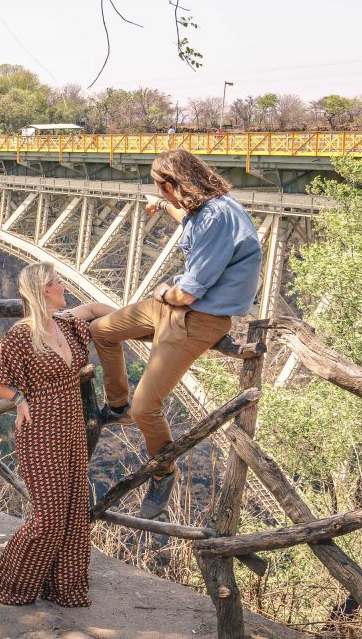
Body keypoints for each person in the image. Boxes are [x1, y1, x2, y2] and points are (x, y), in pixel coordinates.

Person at [89, 149, 262, 519]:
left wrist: (163, 292)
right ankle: (115, 404)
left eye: (162, 189)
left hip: (193, 317)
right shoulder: (205, 209)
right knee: (101, 330)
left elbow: (187, 292)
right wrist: (162, 207)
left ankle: (163, 470)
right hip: (175, 312)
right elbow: (186, 216)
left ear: (173, 183)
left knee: (146, 406)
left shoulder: (217, 217)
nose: (163, 195)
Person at [0, 262, 115, 607]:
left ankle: (63, 588)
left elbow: (96, 308)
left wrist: (140, 321)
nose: (63, 286)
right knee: (49, 519)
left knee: (74, 512)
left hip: (72, 431)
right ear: (43, 290)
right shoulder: (23, 334)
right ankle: (10, 578)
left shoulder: (66, 322)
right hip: (41, 433)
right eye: (57, 282)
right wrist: (17, 398)